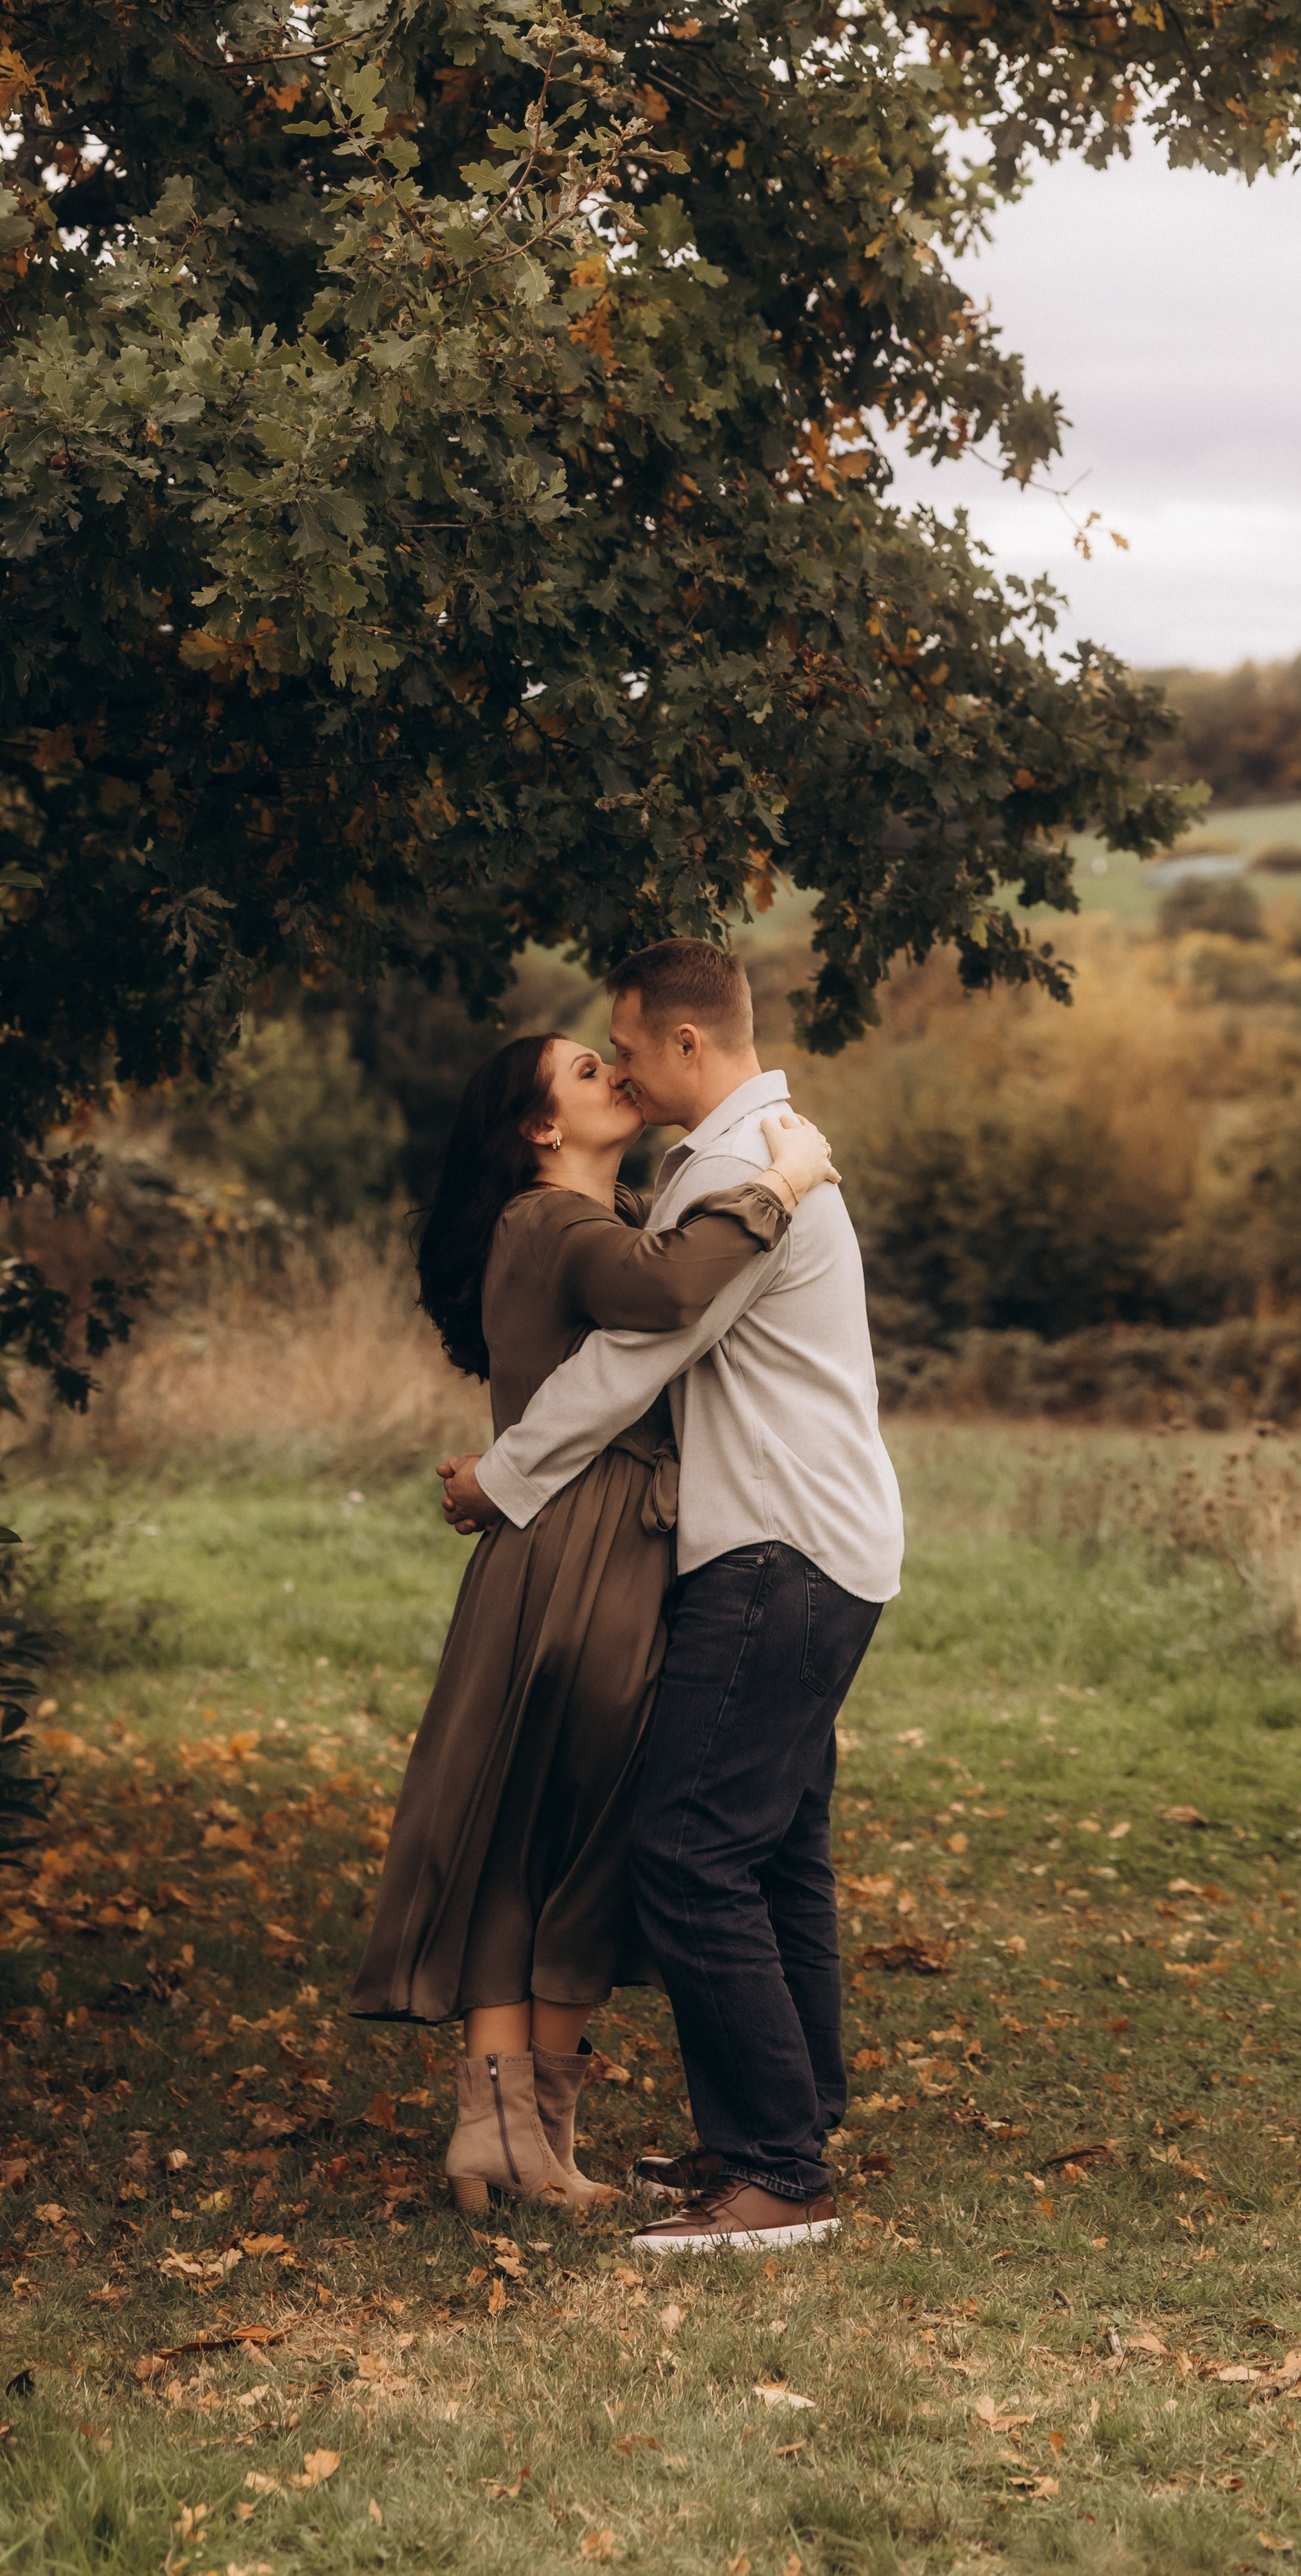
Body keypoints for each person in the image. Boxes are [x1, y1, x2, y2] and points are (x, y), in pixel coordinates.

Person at [440, 940, 904, 2254]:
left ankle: (777, 2175)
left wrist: (505, 1477)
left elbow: (639, 1351)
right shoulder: (761, 1151)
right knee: (775, 1850)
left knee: (691, 1849)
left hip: (774, 1547)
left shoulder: (730, 1173)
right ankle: (785, 2119)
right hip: (824, 1539)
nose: (626, 1075)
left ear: (687, 1044)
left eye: (628, 1050)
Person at [348, 1028, 836, 2218]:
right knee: (581, 1837)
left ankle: (508, 2143)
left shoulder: (591, 1216)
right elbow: (672, 1292)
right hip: (597, 1543)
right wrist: (784, 1182)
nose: (615, 1076)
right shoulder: (553, 1223)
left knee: (537, 1830)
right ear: (539, 1129)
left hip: (571, 1535)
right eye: (584, 1071)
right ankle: (518, 2139)